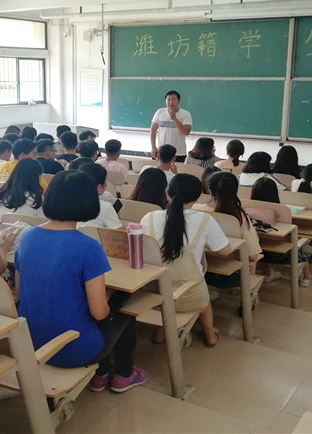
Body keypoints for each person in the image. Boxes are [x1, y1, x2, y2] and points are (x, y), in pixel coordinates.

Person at [14, 170, 147, 393]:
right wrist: (109, 296)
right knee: (125, 311)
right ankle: (124, 374)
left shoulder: (27, 237)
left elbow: (21, 291)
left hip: (30, 343)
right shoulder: (88, 247)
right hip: (72, 350)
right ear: (88, 202)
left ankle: (103, 373)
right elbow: (100, 313)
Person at [140, 174, 232, 347]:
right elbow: (225, 250)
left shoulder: (149, 217)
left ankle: (160, 333)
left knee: (167, 280)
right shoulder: (205, 220)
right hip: (189, 296)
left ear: (167, 194)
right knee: (204, 298)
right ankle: (210, 336)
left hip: (152, 293)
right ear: (197, 198)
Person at [194, 172, 264, 292]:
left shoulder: (196, 210)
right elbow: (253, 256)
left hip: (200, 269)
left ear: (209, 190)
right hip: (231, 275)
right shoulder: (240, 217)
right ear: (235, 191)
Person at [150, 90, 192, 162]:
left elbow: (186, 132)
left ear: (178, 101)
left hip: (179, 153)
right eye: (168, 100)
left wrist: (174, 118)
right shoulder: (160, 112)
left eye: (173, 99)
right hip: (161, 152)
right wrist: (153, 147)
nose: (171, 102)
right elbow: (153, 130)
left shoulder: (186, 114)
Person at [77, 163, 123, 229]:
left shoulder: (67, 203)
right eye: (106, 180)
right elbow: (120, 233)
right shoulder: (105, 207)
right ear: (99, 187)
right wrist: (115, 219)